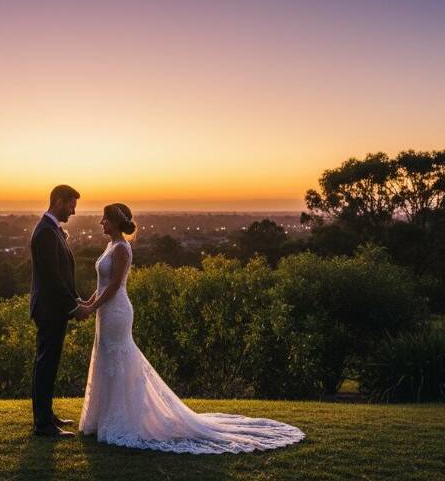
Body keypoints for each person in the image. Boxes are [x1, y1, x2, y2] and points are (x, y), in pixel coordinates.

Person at [78, 203, 305, 453]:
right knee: (106, 358)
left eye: (105, 219)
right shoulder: (110, 246)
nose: (101, 223)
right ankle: (103, 418)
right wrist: (88, 302)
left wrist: (92, 307)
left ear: (115, 222)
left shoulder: (122, 248)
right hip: (106, 311)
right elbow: (102, 284)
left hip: (117, 311)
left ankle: (123, 420)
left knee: (119, 359)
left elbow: (115, 286)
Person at [29, 184, 90, 437]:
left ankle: (47, 415)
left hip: (54, 309)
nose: (73, 212)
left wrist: (77, 299)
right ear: (58, 201)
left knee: (49, 364)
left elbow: (64, 275)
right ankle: (43, 424)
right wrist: (73, 308)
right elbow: (52, 278)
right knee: (46, 365)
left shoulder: (52, 230)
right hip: (49, 310)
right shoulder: (45, 233)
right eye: (71, 205)